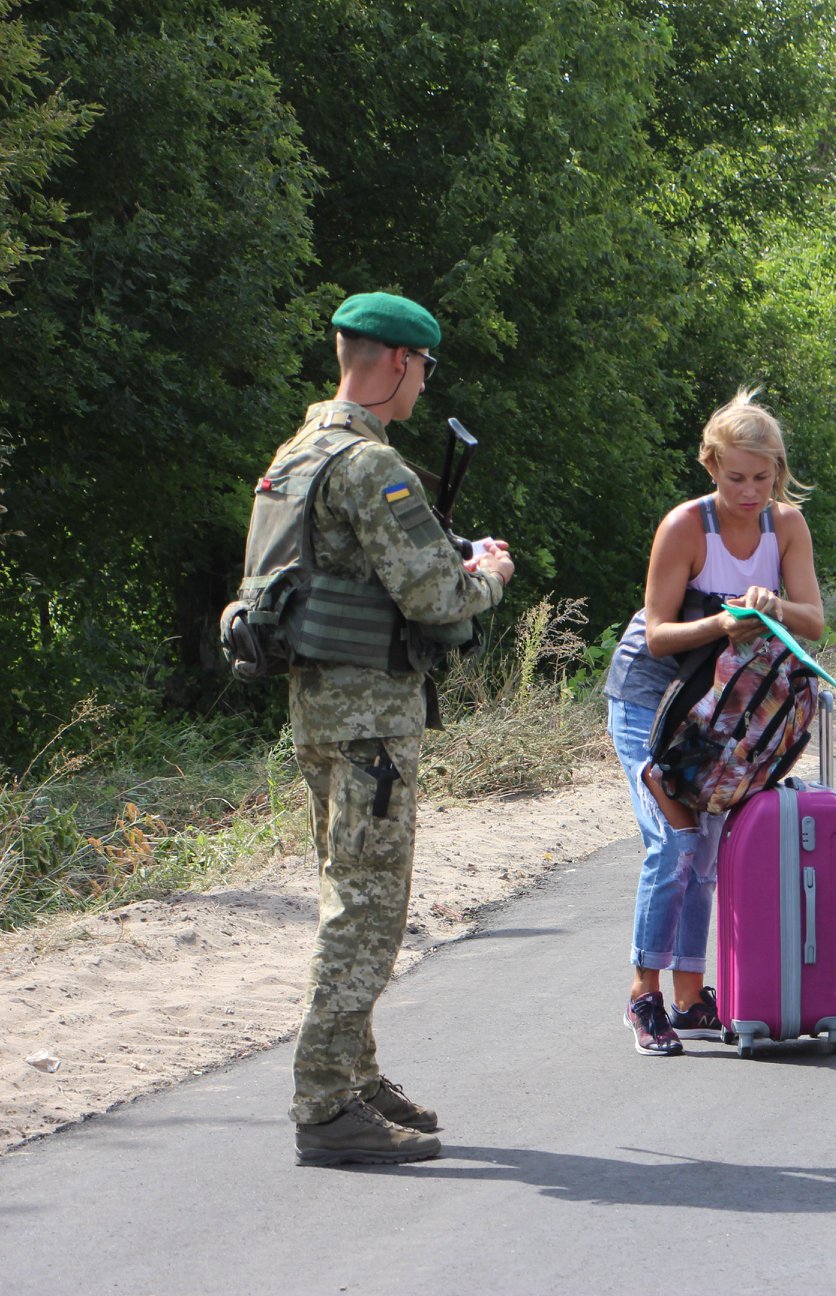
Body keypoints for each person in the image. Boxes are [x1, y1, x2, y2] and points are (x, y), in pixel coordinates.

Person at [276, 292, 516, 1166]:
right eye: (423, 369)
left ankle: (357, 1077)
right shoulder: (374, 467)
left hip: (317, 712)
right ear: (398, 363)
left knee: (351, 893)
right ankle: (326, 1106)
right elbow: (436, 596)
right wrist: (488, 571)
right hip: (372, 720)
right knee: (367, 910)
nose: (422, 385)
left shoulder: (299, 453)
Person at [603, 389, 825, 1056]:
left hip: (722, 715)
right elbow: (660, 634)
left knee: (704, 855)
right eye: (737, 477)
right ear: (710, 466)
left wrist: (773, 606)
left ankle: (690, 997)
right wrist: (724, 619)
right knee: (671, 847)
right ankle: (643, 997)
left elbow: (813, 621)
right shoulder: (684, 527)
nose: (751, 491)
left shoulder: (785, 526)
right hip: (649, 702)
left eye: (764, 477)